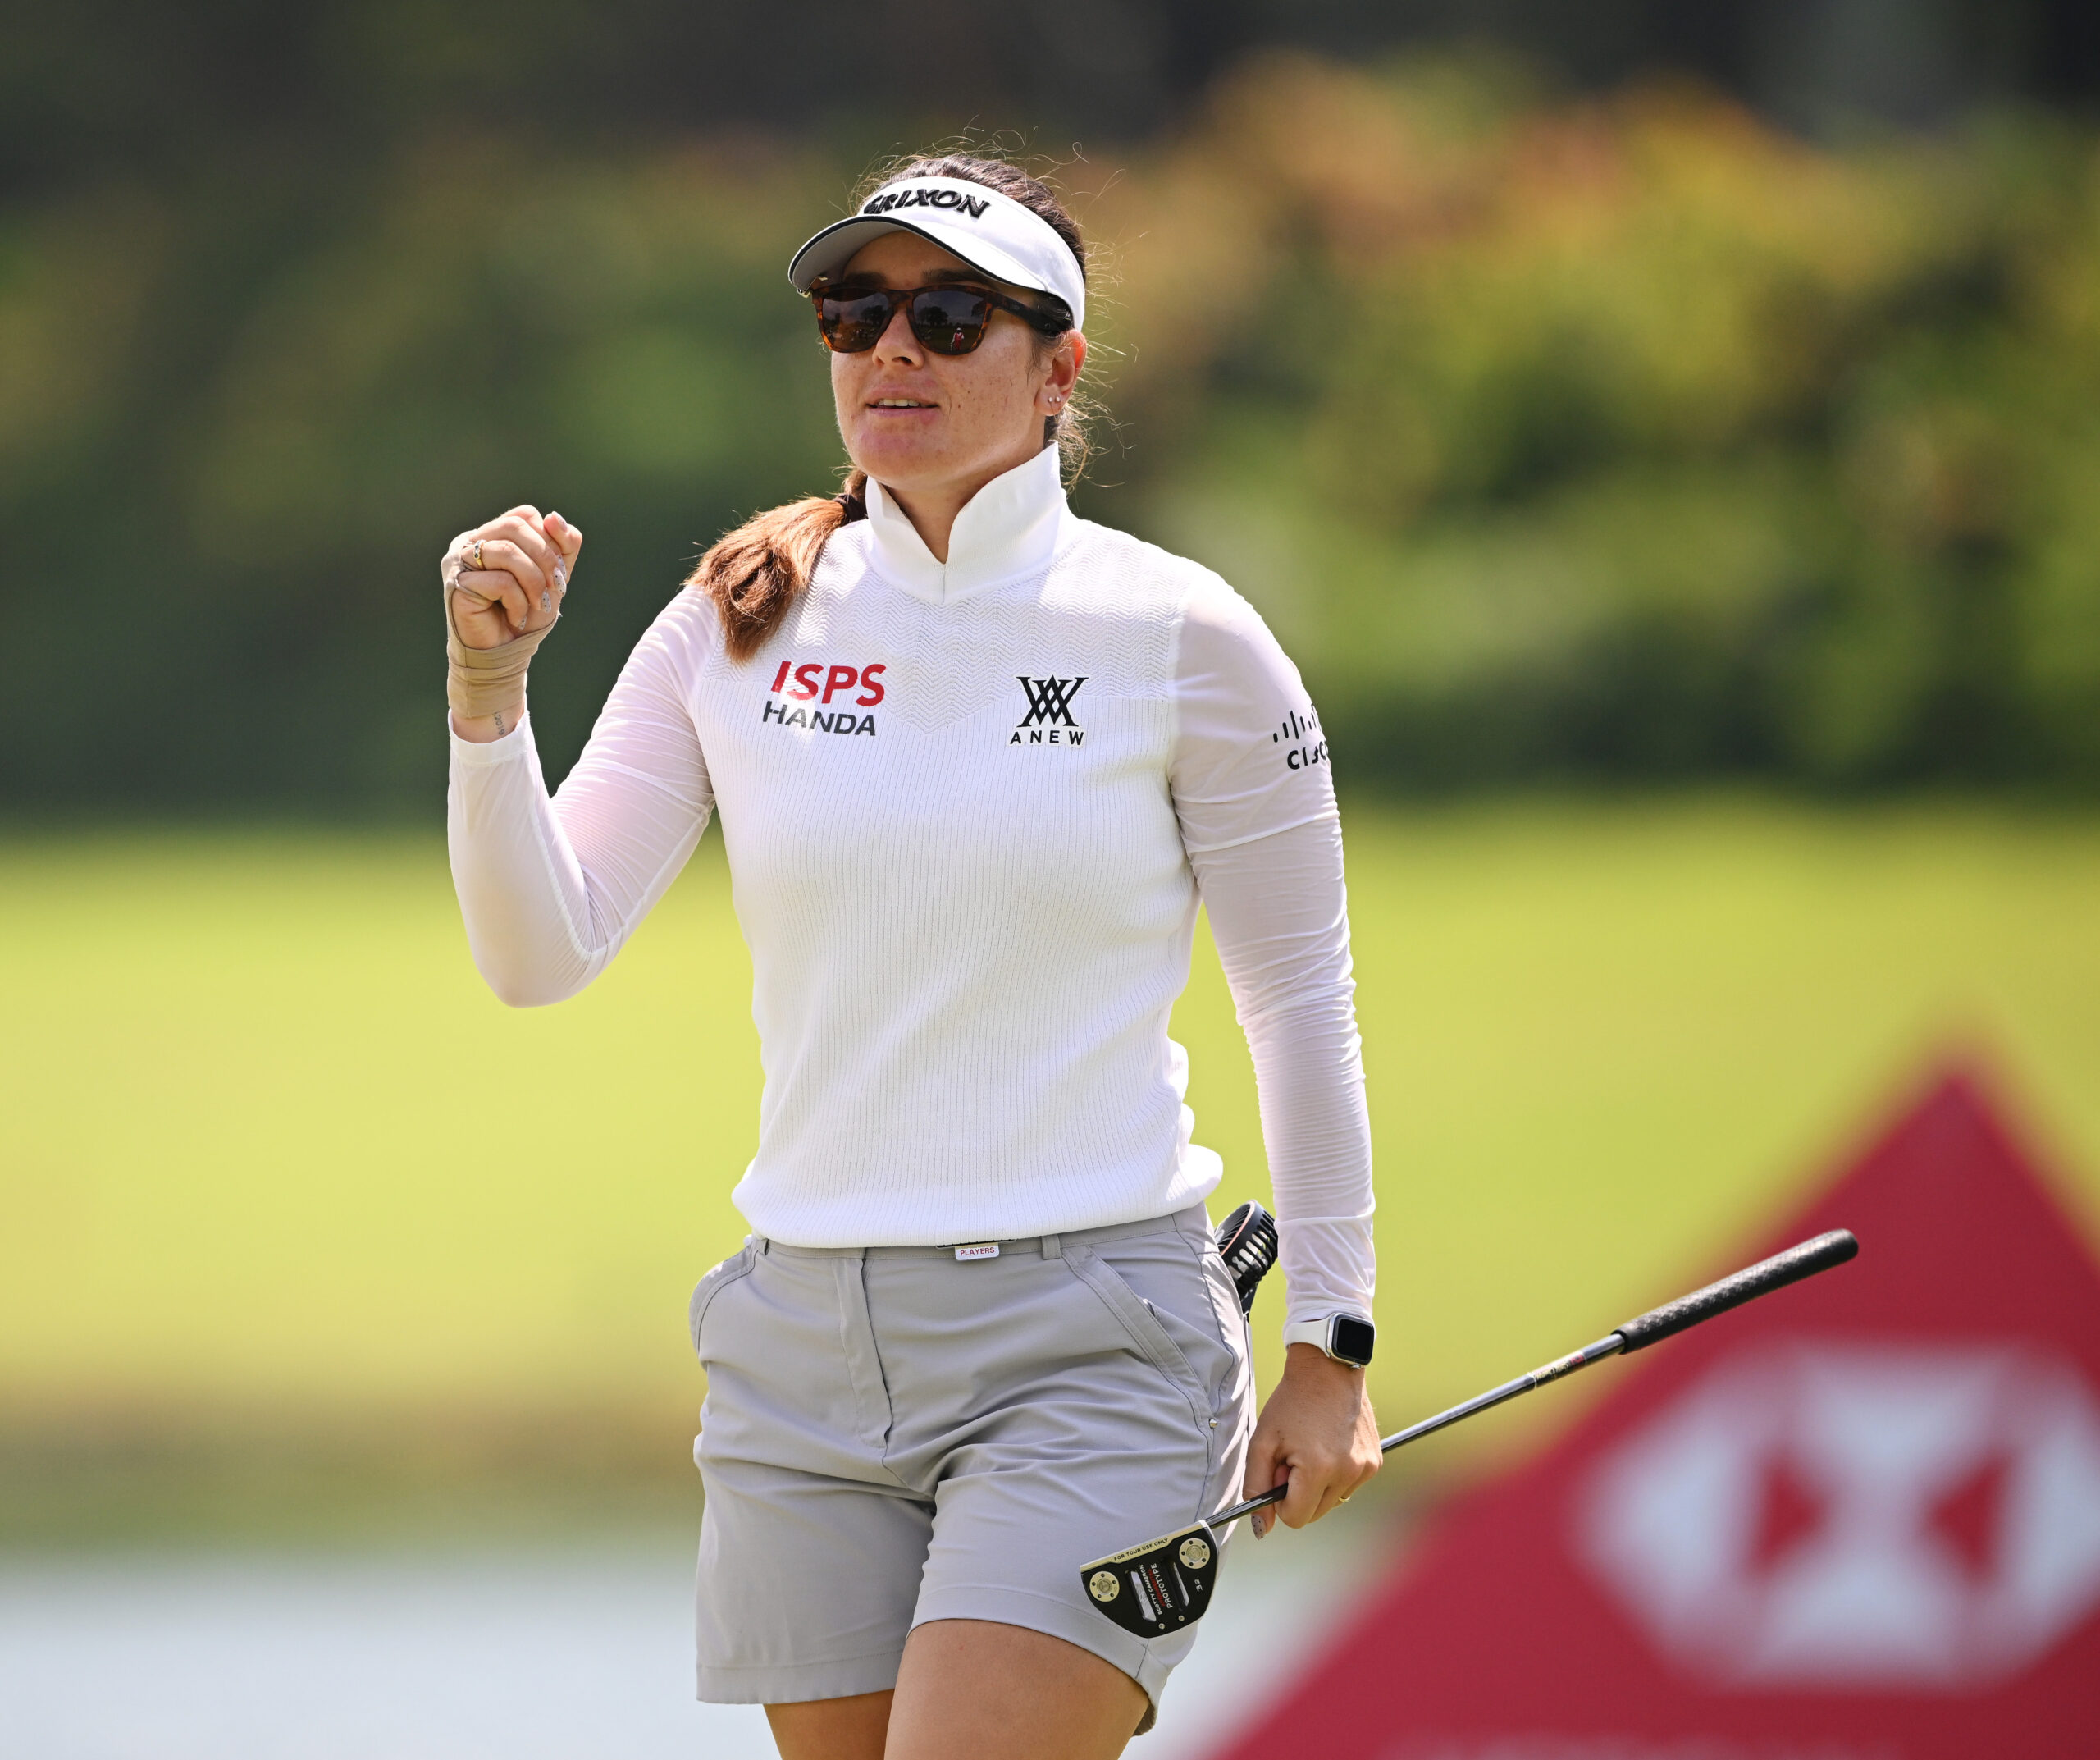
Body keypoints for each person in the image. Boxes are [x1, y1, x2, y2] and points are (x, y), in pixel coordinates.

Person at [440, 153, 1380, 1760]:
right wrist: (487, 697)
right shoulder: (735, 611)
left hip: (1093, 1334)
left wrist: (1331, 1342)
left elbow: (1295, 996)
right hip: (800, 1349)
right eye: (854, 311)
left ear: (1057, 366)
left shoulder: (1182, 635)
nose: (893, 351)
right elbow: (540, 948)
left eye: (950, 316)